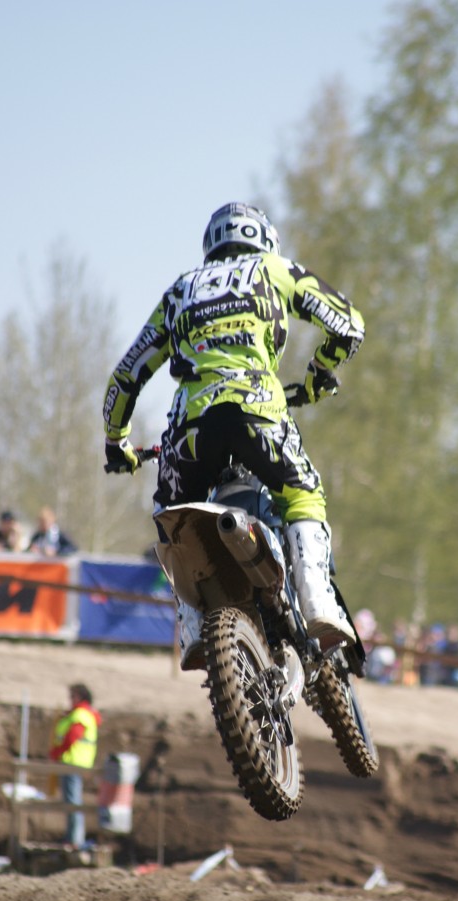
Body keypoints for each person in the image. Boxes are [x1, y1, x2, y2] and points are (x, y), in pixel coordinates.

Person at [103, 202, 365, 667]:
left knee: (170, 519)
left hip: (190, 430)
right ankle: (316, 597)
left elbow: (126, 376)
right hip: (258, 410)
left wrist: (117, 443)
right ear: (266, 240)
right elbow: (348, 325)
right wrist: (319, 372)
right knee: (302, 493)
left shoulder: (181, 290)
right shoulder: (274, 270)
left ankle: (191, 625)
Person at [49, 683, 101, 848]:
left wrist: (56, 753)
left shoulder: (81, 715)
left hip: (73, 762)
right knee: (71, 801)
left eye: (72, 696)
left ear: (80, 697)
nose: (70, 700)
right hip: (73, 761)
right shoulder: (78, 714)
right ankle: (73, 837)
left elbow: (72, 737)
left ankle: (75, 839)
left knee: (73, 802)